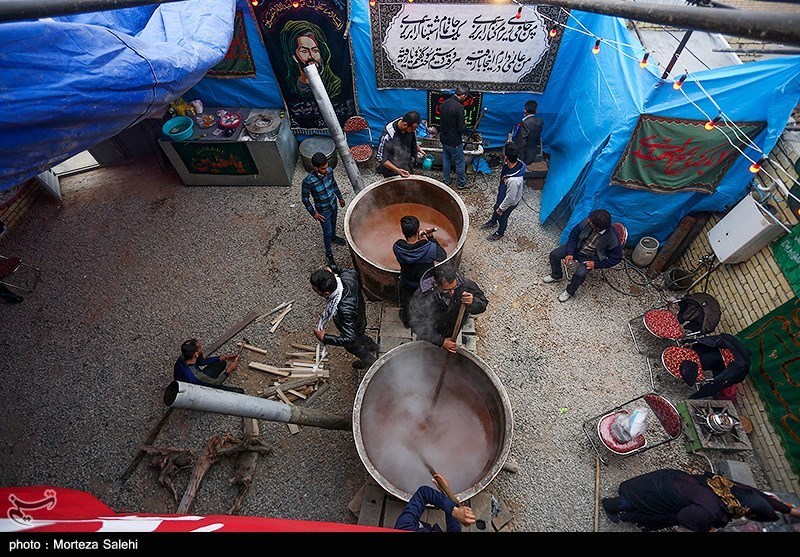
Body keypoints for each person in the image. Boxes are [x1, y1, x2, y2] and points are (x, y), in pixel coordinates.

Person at [602, 468, 800, 532]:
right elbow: (684, 517)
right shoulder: (711, 509)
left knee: (641, 498)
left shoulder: (734, 491)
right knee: (637, 504)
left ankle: (623, 509)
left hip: (672, 478)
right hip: (662, 493)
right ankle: (611, 506)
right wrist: (707, 529)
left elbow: (762, 498)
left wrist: (789, 511)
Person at [542, 209, 622, 302]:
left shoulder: (613, 238)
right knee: (554, 254)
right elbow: (573, 236)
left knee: (580, 274)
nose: (588, 220)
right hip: (577, 248)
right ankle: (556, 276)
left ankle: (569, 291)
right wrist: (570, 252)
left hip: (589, 257)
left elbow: (616, 259)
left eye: (591, 222)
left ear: (597, 228)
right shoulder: (587, 222)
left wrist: (595, 264)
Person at [310, 266, 379, 370]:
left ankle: (371, 363)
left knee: (355, 346)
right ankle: (373, 346)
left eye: (315, 290)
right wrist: (333, 268)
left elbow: (350, 339)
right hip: (360, 318)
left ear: (326, 294)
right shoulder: (347, 277)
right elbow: (349, 271)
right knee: (361, 335)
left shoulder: (343, 310)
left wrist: (325, 338)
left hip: (354, 324)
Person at [409, 263, 488, 353]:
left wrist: (473, 302)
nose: (452, 293)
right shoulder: (422, 296)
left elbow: (483, 303)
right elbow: (416, 324)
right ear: (435, 284)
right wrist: (441, 341)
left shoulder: (465, 286)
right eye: (447, 290)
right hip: (429, 336)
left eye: (454, 287)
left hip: (452, 331)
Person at [393, 215, 447, 328]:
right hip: (425, 284)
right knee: (427, 303)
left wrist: (419, 239)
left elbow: (412, 247)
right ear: (418, 230)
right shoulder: (430, 249)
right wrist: (430, 238)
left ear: (403, 232)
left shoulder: (397, 247)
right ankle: (426, 321)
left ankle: (407, 322)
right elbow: (443, 256)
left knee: (407, 303)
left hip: (407, 282)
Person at [302, 151, 347, 271]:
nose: (326, 170)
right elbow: (305, 199)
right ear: (315, 168)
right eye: (323, 169)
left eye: (326, 167)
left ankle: (333, 237)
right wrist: (314, 213)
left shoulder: (329, 171)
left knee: (333, 224)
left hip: (333, 204)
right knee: (326, 232)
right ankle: (329, 254)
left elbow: (334, 184)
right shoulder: (308, 181)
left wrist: (340, 198)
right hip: (323, 210)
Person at [677, 333, 751, 400]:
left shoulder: (740, 366)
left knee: (709, 365)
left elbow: (721, 381)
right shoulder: (728, 341)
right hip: (717, 354)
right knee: (705, 360)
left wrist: (699, 394)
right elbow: (710, 341)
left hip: (723, 364)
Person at [394, 474, 476, 532]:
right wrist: (454, 510)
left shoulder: (404, 527)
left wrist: (454, 510)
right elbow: (454, 528)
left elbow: (423, 493)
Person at [280, 20, 342, 98]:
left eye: (315, 50)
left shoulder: (333, 85)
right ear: (294, 57)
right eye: (304, 51)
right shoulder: (291, 85)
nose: (311, 56)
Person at [479, 142, 525, 242]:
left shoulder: (514, 181)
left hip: (509, 202)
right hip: (503, 196)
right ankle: (493, 221)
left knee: (502, 217)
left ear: (506, 157)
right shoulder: (510, 165)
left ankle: (500, 233)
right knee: (496, 207)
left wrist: (501, 208)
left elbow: (510, 198)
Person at [376, 111, 426, 178]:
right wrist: (397, 170)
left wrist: (418, 148)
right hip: (391, 171)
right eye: (412, 129)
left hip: (406, 165)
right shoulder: (388, 135)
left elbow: (411, 140)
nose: (413, 131)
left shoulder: (409, 126)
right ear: (405, 124)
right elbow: (381, 158)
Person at [173, 338, 239, 388]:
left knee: (221, 362)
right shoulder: (197, 376)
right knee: (239, 392)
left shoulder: (184, 355)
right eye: (200, 349)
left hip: (185, 379)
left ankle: (210, 381)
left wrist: (224, 357)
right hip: (194, 388)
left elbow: (201, 361)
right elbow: (217, 382)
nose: (201, 349)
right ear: (196, 354)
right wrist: (229, 369)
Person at [439, 85, 470, 190]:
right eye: (465, 97)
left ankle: (447, 180)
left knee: (446, 159)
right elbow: (461, 128)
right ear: (463, 95)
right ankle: (461, 183)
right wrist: (471, 133)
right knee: (460, 162)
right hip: (454, 141)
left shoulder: (444, 104)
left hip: (444, 138)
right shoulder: (458, 107)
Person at [512, 99, 544, 169]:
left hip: (525, 154)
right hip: (533, 151)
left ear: (525, 110)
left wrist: (521, 158)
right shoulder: (540, 122)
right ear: (536, 111)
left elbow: (522, 142)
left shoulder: (525, 123)